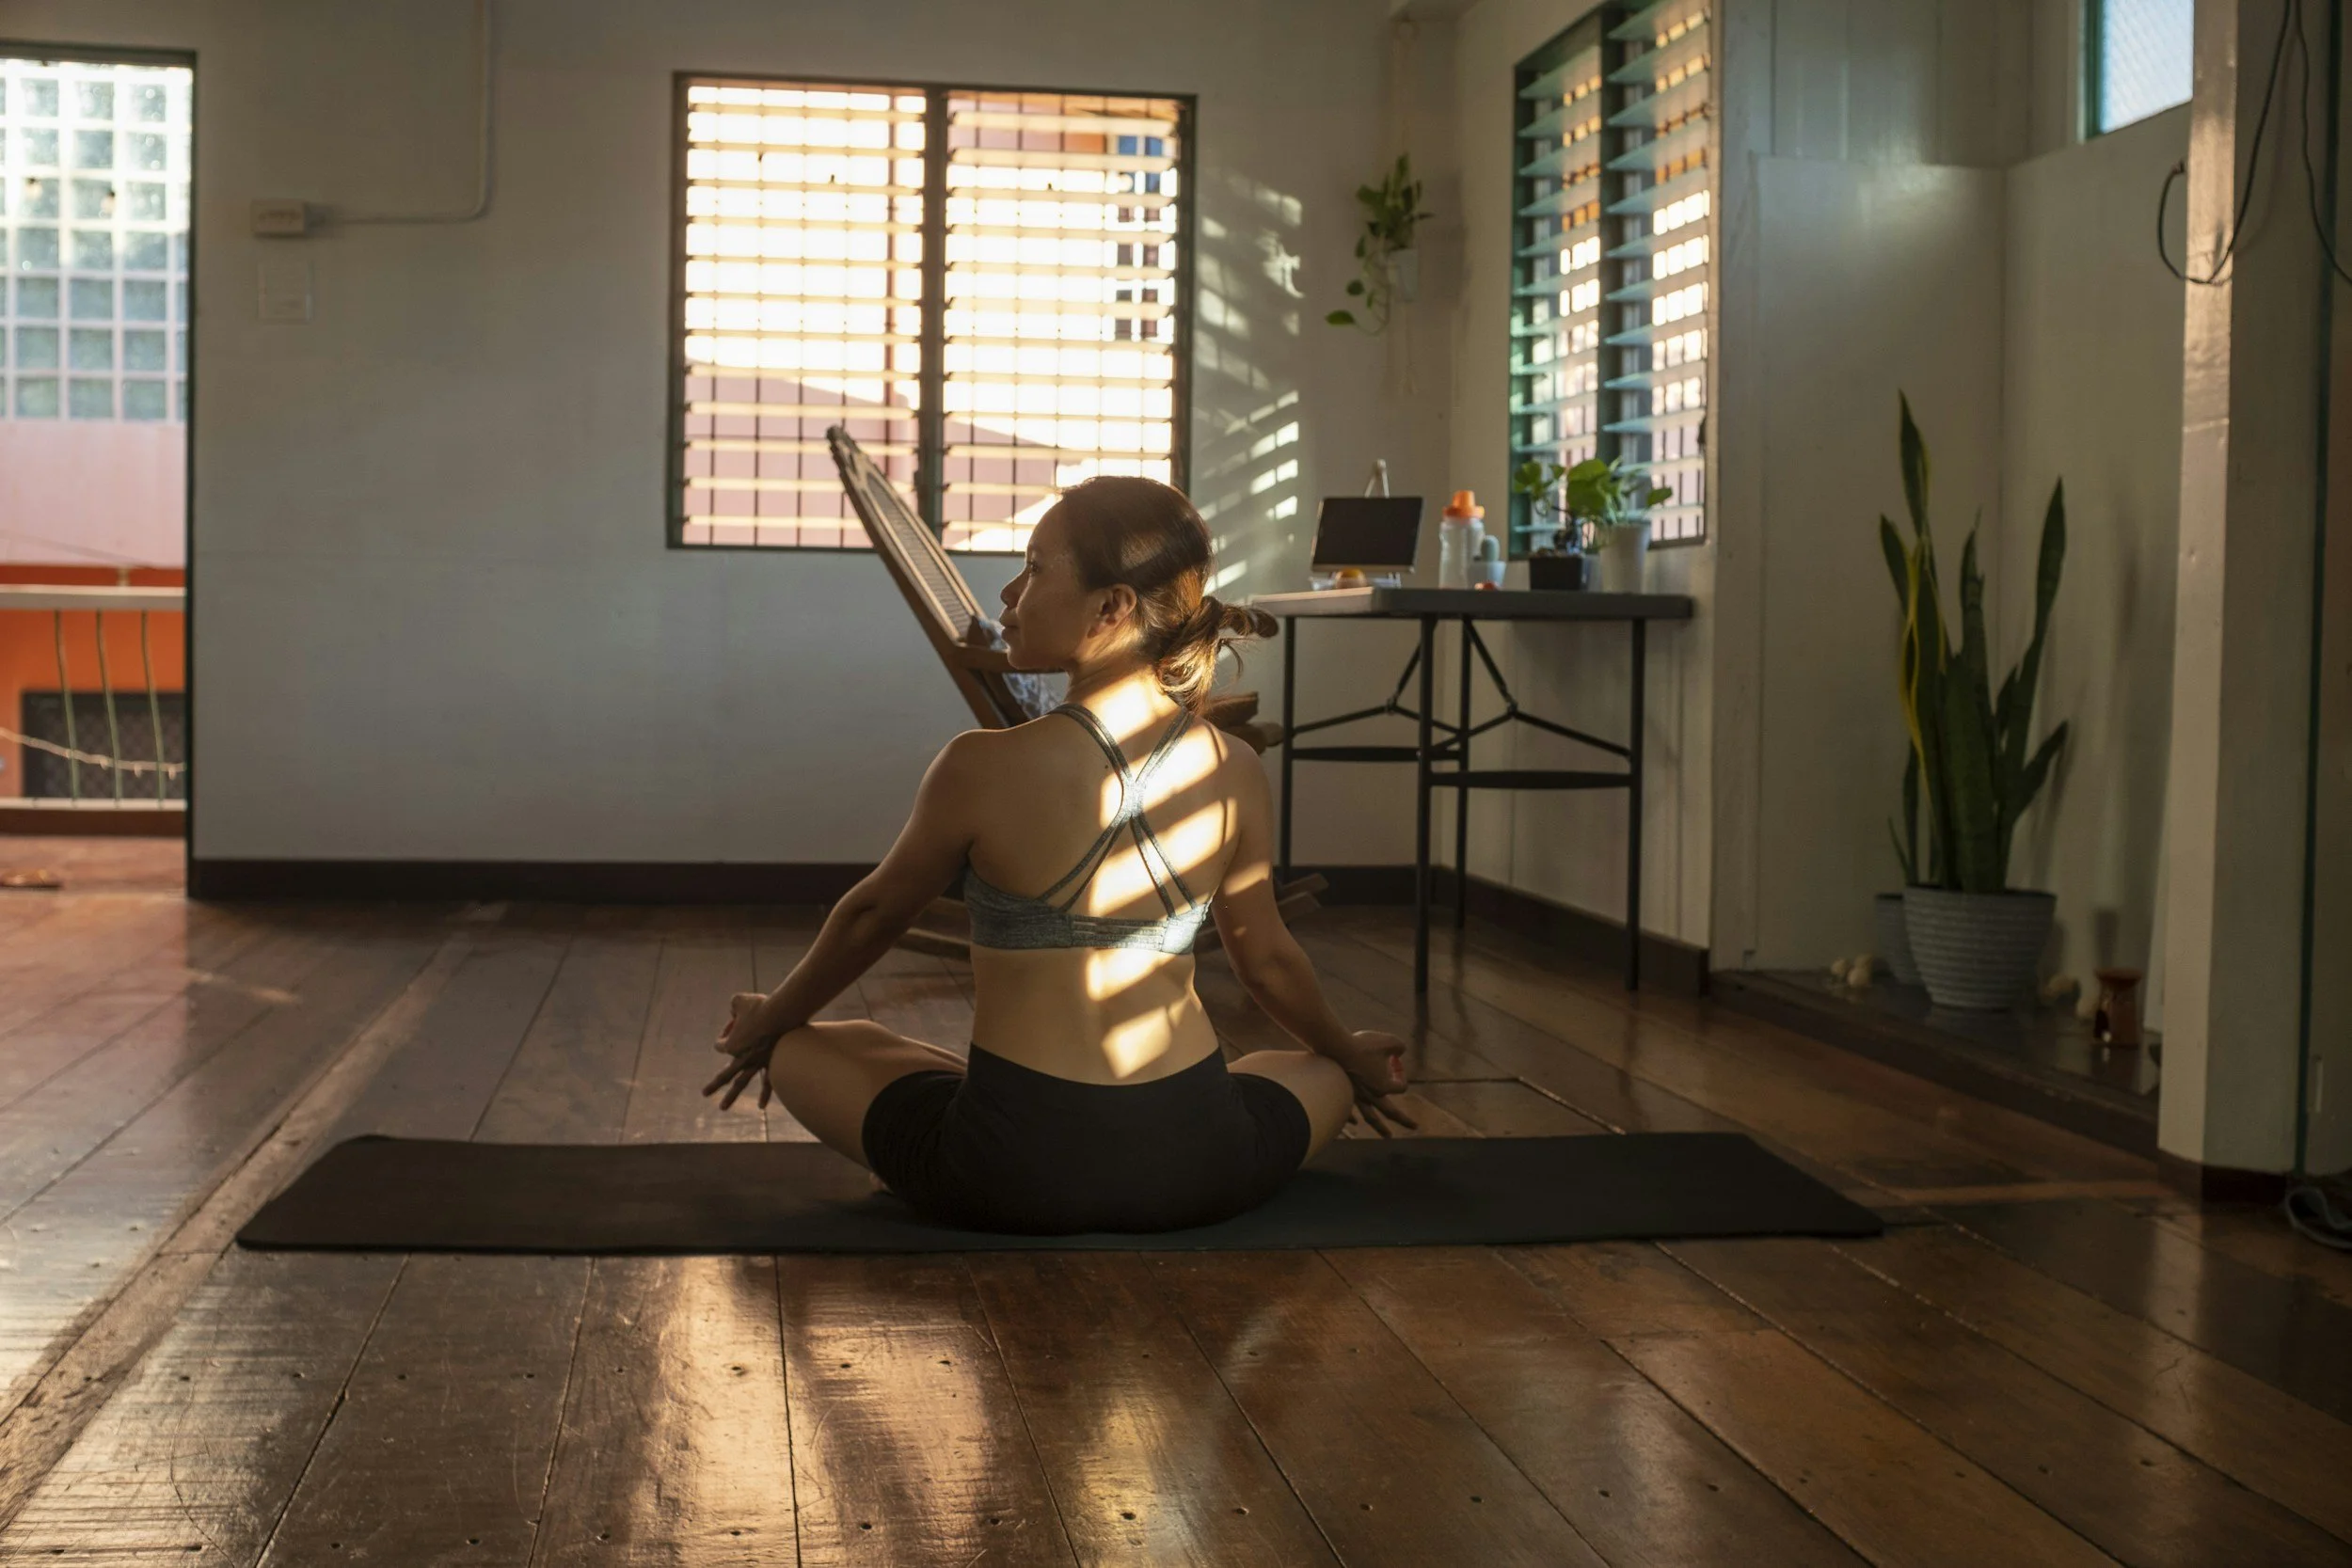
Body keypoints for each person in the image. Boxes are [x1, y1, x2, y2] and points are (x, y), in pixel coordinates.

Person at [701, 474, 1417, 1234]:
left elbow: (873, 915)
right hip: (1201, 1164)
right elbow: (1266, 958)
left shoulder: (977, 763)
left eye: (1037, 567)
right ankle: (1335, 1066)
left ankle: (917, 1127)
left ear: (1111, 608)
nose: (1009, 593)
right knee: (1305, 1065)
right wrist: (1351, 1055)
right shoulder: (1233, 765)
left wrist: (768, 1020)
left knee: (810, 1046)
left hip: (1012, 1171)